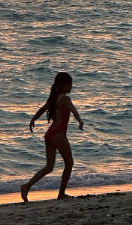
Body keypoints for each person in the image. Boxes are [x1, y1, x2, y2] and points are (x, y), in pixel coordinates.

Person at [21, 72, 84, 202]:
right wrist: (80, 121)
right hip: (58, 134)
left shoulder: (54, 98)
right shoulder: (65, 99)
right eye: (69, 84)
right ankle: (61, 193)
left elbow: (42, 109)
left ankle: (26, 186)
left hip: (50, 134)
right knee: (69, 162)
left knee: (49, 167)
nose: (71, 87)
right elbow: (74, 110)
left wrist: (33, 119)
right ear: (63, 85)